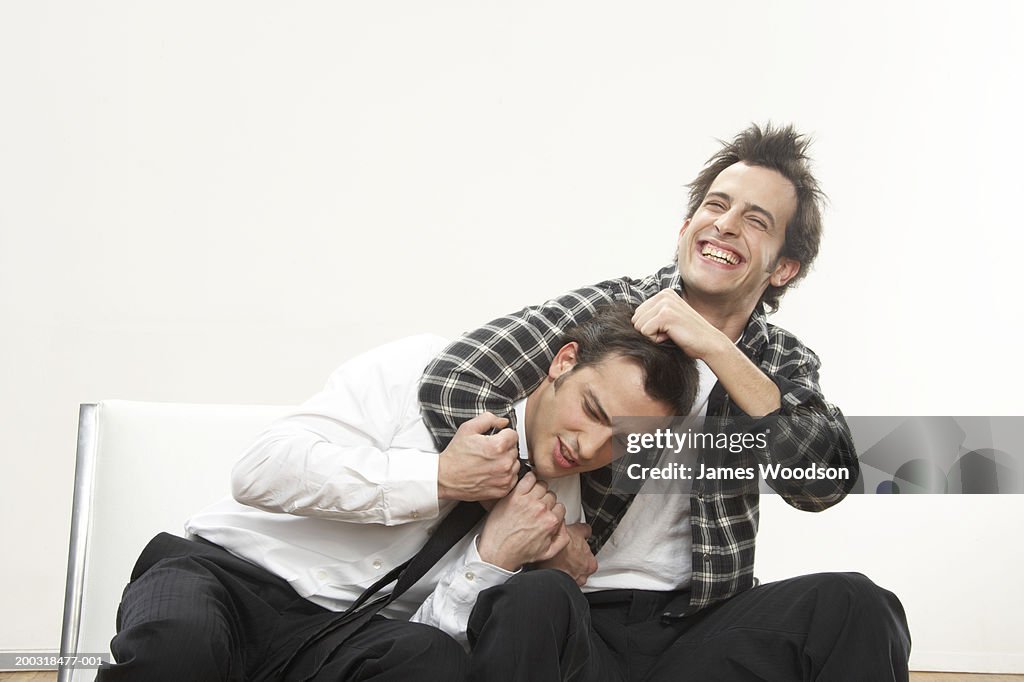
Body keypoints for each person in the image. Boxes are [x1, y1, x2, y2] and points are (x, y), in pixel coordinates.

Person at [418, 124, 912, 680]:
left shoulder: (779, 362)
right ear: (686, 227)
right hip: (576, 609)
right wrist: (544, 529)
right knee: (530, 600)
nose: (725, 224)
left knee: (857, 606)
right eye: (716, 206)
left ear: (783, 268)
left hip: (702, 622)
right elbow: (455, 381)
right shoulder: (612, 310)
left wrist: (717, 349)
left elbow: (823, 483)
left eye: (755, 220)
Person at [96, 306, 697, 682]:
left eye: (620, 441)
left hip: (348, 641)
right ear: (563, 362)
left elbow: (441, 637)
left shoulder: (553, 518)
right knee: (180, 648)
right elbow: (260, 470)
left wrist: (492, 561)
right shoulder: (421, 370)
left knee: (426, 663)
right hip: (232, 577)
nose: (590, 446)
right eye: (591, 410)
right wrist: (437, 480)